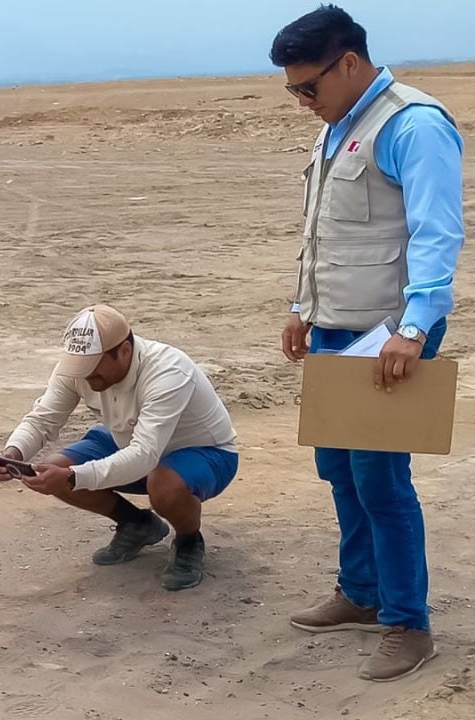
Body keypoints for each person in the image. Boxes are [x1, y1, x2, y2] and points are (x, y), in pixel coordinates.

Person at [271, 5, 465, 682]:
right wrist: (303, 307)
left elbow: (438, 235)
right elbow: (327, 233)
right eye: (292, 90)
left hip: (387, 335)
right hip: (333, 329)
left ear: (348, 64)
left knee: (381, 481)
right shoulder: (337, 128)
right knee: (339, 470)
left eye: (308, 87)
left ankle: (408, 625)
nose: (301, 102)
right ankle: (360, 592)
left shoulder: (413, 126)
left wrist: (414, 330)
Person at [0, 305, 239, 591]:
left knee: (162, 484)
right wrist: (13, 453)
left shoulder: (168, 370)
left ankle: (189, 541)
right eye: (80, 366)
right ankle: (136, 524)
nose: (86, 376)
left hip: (206, 453)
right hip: (126, 440)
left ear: (125, 351)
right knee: (54, 469)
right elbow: (43, 418)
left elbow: (145, 455)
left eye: (93, 367)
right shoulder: (76, 369)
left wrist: (74, 477)